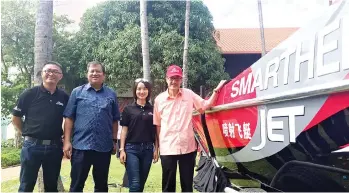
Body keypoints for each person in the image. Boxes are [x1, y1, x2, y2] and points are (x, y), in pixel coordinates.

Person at [153, 64, 226, 192]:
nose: (174, 81)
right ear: (166, 79)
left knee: (187, 185)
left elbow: (205, 106)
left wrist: (216, 91)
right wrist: (157, 148)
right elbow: (158, 125)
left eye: (177, 78)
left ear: (181, 80)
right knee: (168, 186)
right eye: (171, 78)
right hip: (167, 147)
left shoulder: (189, 95)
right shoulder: (159, 100)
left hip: (187, 147)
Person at [63, 61, 120, 192]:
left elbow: (115, 120)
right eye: (92, 71)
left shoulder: (111, 94)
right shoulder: (77, 92)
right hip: (80, 146)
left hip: (104, 146)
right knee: (77, 184)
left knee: (101, 185)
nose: (95, 73)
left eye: (98, 71)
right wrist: (67, 141)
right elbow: (69, 118)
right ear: (87, 74)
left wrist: (114, 141)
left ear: (103, 75)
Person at [12, 61, 69, 192]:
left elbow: (68, 119)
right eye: (48, 70)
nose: (51, 74)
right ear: (42, 74)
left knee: (51, 186)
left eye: (55, 72)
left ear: (60, 76)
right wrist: (26, 133)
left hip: (54, 147)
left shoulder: (64, 97)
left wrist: (66, 140)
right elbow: (16, 118)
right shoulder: (30, 94)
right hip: (32, 147)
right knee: (26, 185)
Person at [119, 78, 159, 192]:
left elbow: (156, 131)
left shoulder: (153, 109)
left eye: (145, 89)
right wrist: (122, 149)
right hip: (131, 149)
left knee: (141, 184)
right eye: (139, 89)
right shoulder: (128, 109)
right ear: (135, 91)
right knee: (135, 184)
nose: (142, 91)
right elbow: (124, 130)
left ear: (148, 91)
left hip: (147, 149)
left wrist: (156, 149)